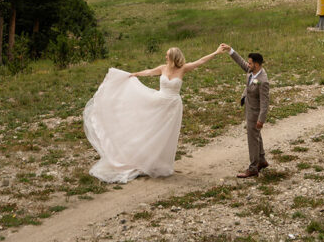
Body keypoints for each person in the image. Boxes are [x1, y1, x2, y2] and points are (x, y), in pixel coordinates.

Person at [83, 44, 224, 183]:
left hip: (173, 107)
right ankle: (142, 159)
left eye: (167, 55)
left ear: (173, 57)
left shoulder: (183, 69)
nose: (165, 57)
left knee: (164, 135)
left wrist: (216, 52)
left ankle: (156, 162)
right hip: (158, 102)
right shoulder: (163, 68)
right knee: (150, 129)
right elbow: (149, 71)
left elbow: (200, 61)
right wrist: (135, 74)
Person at [221, 43, 270, 177]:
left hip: (255, 113)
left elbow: (265, 103)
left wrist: (261, 119)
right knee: (256, 135)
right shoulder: (251, 71)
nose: (247, 65)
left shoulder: (263, 81)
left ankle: (253, 168)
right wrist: (230, 50)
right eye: (248, 63)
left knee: (252, 139)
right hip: (249, 108)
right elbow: (241, 62)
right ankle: (262, 160)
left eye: (250, 63)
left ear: (257, 64)